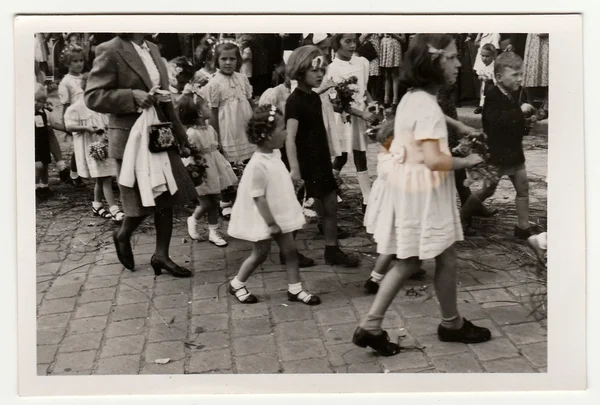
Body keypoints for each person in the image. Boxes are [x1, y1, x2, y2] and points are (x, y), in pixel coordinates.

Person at [352, 34, 491, 356]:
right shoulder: (426, 105)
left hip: (408, 185)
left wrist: (459, 126)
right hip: (424, 189)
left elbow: (435, 117)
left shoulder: (413, 96)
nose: (459, 63)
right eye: (453, 57)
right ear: (434, 62)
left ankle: (372, 324)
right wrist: (469, 160)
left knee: (411, 258)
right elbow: (435, 160)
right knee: (439, 254)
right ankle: (450, 324)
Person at [85, 33, 197, 277]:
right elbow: (92, 96)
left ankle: (162, 256)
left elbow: (164, 98)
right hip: (130, 138)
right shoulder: (110, 49)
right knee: (139, 202)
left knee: (167, 195)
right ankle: (123, 234)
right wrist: (131, 96)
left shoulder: (153, 49)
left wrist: (182, 137)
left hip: (159, 133)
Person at [227, 104, 321, 305]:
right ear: (268, 136)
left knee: (290, 251)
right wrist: (270, 224)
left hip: (282, 213)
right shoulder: (257, 165)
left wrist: (290, 181)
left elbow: (276, 181)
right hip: (266, 217)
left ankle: (295, 289)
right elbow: (258, 197)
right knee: (259, 254)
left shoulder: (274, 154)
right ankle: (236, 283)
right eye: (282, 129)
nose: (286, 133)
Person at [284, 45, 360, 267]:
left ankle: (331, 249)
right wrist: (295, 169)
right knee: (297, 212)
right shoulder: (295, 101)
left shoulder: (314, 98)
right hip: (304, 162)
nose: (319, 75)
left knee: (329, 206)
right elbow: (290, 137)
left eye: (321, 70)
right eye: (313, 71)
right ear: (299, 71)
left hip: (320, 158)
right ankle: (288, 251)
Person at [460, 52, 538, 239]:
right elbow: (496, 122)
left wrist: (526, 123)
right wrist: (520, 113)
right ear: (499, 77)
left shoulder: (514, 94)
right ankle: (460, 218)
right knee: (488, 189)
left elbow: (514, 125)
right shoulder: (492, 96)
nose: (520, 79)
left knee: (523, 188)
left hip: (514, 153)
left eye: (521, 74)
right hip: (497, 155)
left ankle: (523, 227)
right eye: (515, 75)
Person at [177, 86, 237, 247]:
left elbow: (215, 149)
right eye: (206, 106)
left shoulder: (210, 129)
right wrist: (194, 173)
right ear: (199, 113)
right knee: (206, 203)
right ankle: (193, 220)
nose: (209, 108)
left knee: (214, 201)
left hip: (214, 169)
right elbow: (190, 154)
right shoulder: (192, 134)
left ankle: (213, 231)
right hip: (200, 172)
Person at [325, 33, 376, 213]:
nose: (353, 45)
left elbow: (364, 90)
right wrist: (361, 114)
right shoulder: (332, 69)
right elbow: (337, 102)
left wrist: (371, 104)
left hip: (361, 116)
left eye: (354, 41)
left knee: (360, 155)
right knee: (342, 156)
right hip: (344, 117)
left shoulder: (361, 63)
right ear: (336, 44)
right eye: (347, 41)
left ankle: (367, 197)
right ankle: (326, 189)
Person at [204, 40, 256, 218]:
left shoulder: (242, 79)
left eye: (232, 59)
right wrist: (215, 137)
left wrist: (257, 122)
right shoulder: (214, 83)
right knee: (229, 166)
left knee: (250, 163)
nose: (228, 62)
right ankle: (225, 201)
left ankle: (248, 198)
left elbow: (249, 101)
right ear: (216, 61)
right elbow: (213, 111)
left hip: (245, 125)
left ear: (238, 61)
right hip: (227, 129)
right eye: (223, 59)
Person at [64, 73, 124, 222]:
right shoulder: (78, 107)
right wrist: (86, 128)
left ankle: (97, 205)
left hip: (103, 145)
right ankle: (114, 208)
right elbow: (69, 126)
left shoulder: (101, 106)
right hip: (93, 148)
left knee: (101, 177)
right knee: (105, 178)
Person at [58, 44, 87, 188]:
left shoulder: (85, 77)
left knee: (90, 143)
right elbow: (65, 103)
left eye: (81, 60)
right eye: (75, 61)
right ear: (67, 63)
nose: (79, 64)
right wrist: (65, 122)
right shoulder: (66, 82)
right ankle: (74, 174)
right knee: (78, 146)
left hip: (87, 114)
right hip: (75, 117)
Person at [34, 84, 56, 199]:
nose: (36, 103)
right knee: (38, 165)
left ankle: (45, 185)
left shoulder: (44, 112)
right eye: (34, 100)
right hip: (34, 144)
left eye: (40, 101)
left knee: (45, 165)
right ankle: (35, 186)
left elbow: (54, 124)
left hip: (43, 143)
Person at [379, 33, 406, 107]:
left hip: (394, 45)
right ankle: (386, 100)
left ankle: (395, 100)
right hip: (385, 46)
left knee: (395, 74)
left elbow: (403, 39)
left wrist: (393, 34)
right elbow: (379, 35)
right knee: (386, 74)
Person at [473, 43, 497, 114]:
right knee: (483, 94)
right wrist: (481, 77)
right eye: (482, 56)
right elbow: (478, 74)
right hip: (485, 85)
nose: (484, 58)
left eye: (487, 56)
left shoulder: (494, 66)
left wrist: (490, 79)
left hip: (493, 85)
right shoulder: (483, 65)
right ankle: (481, 106)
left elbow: (496, 80)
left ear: (493, 56)